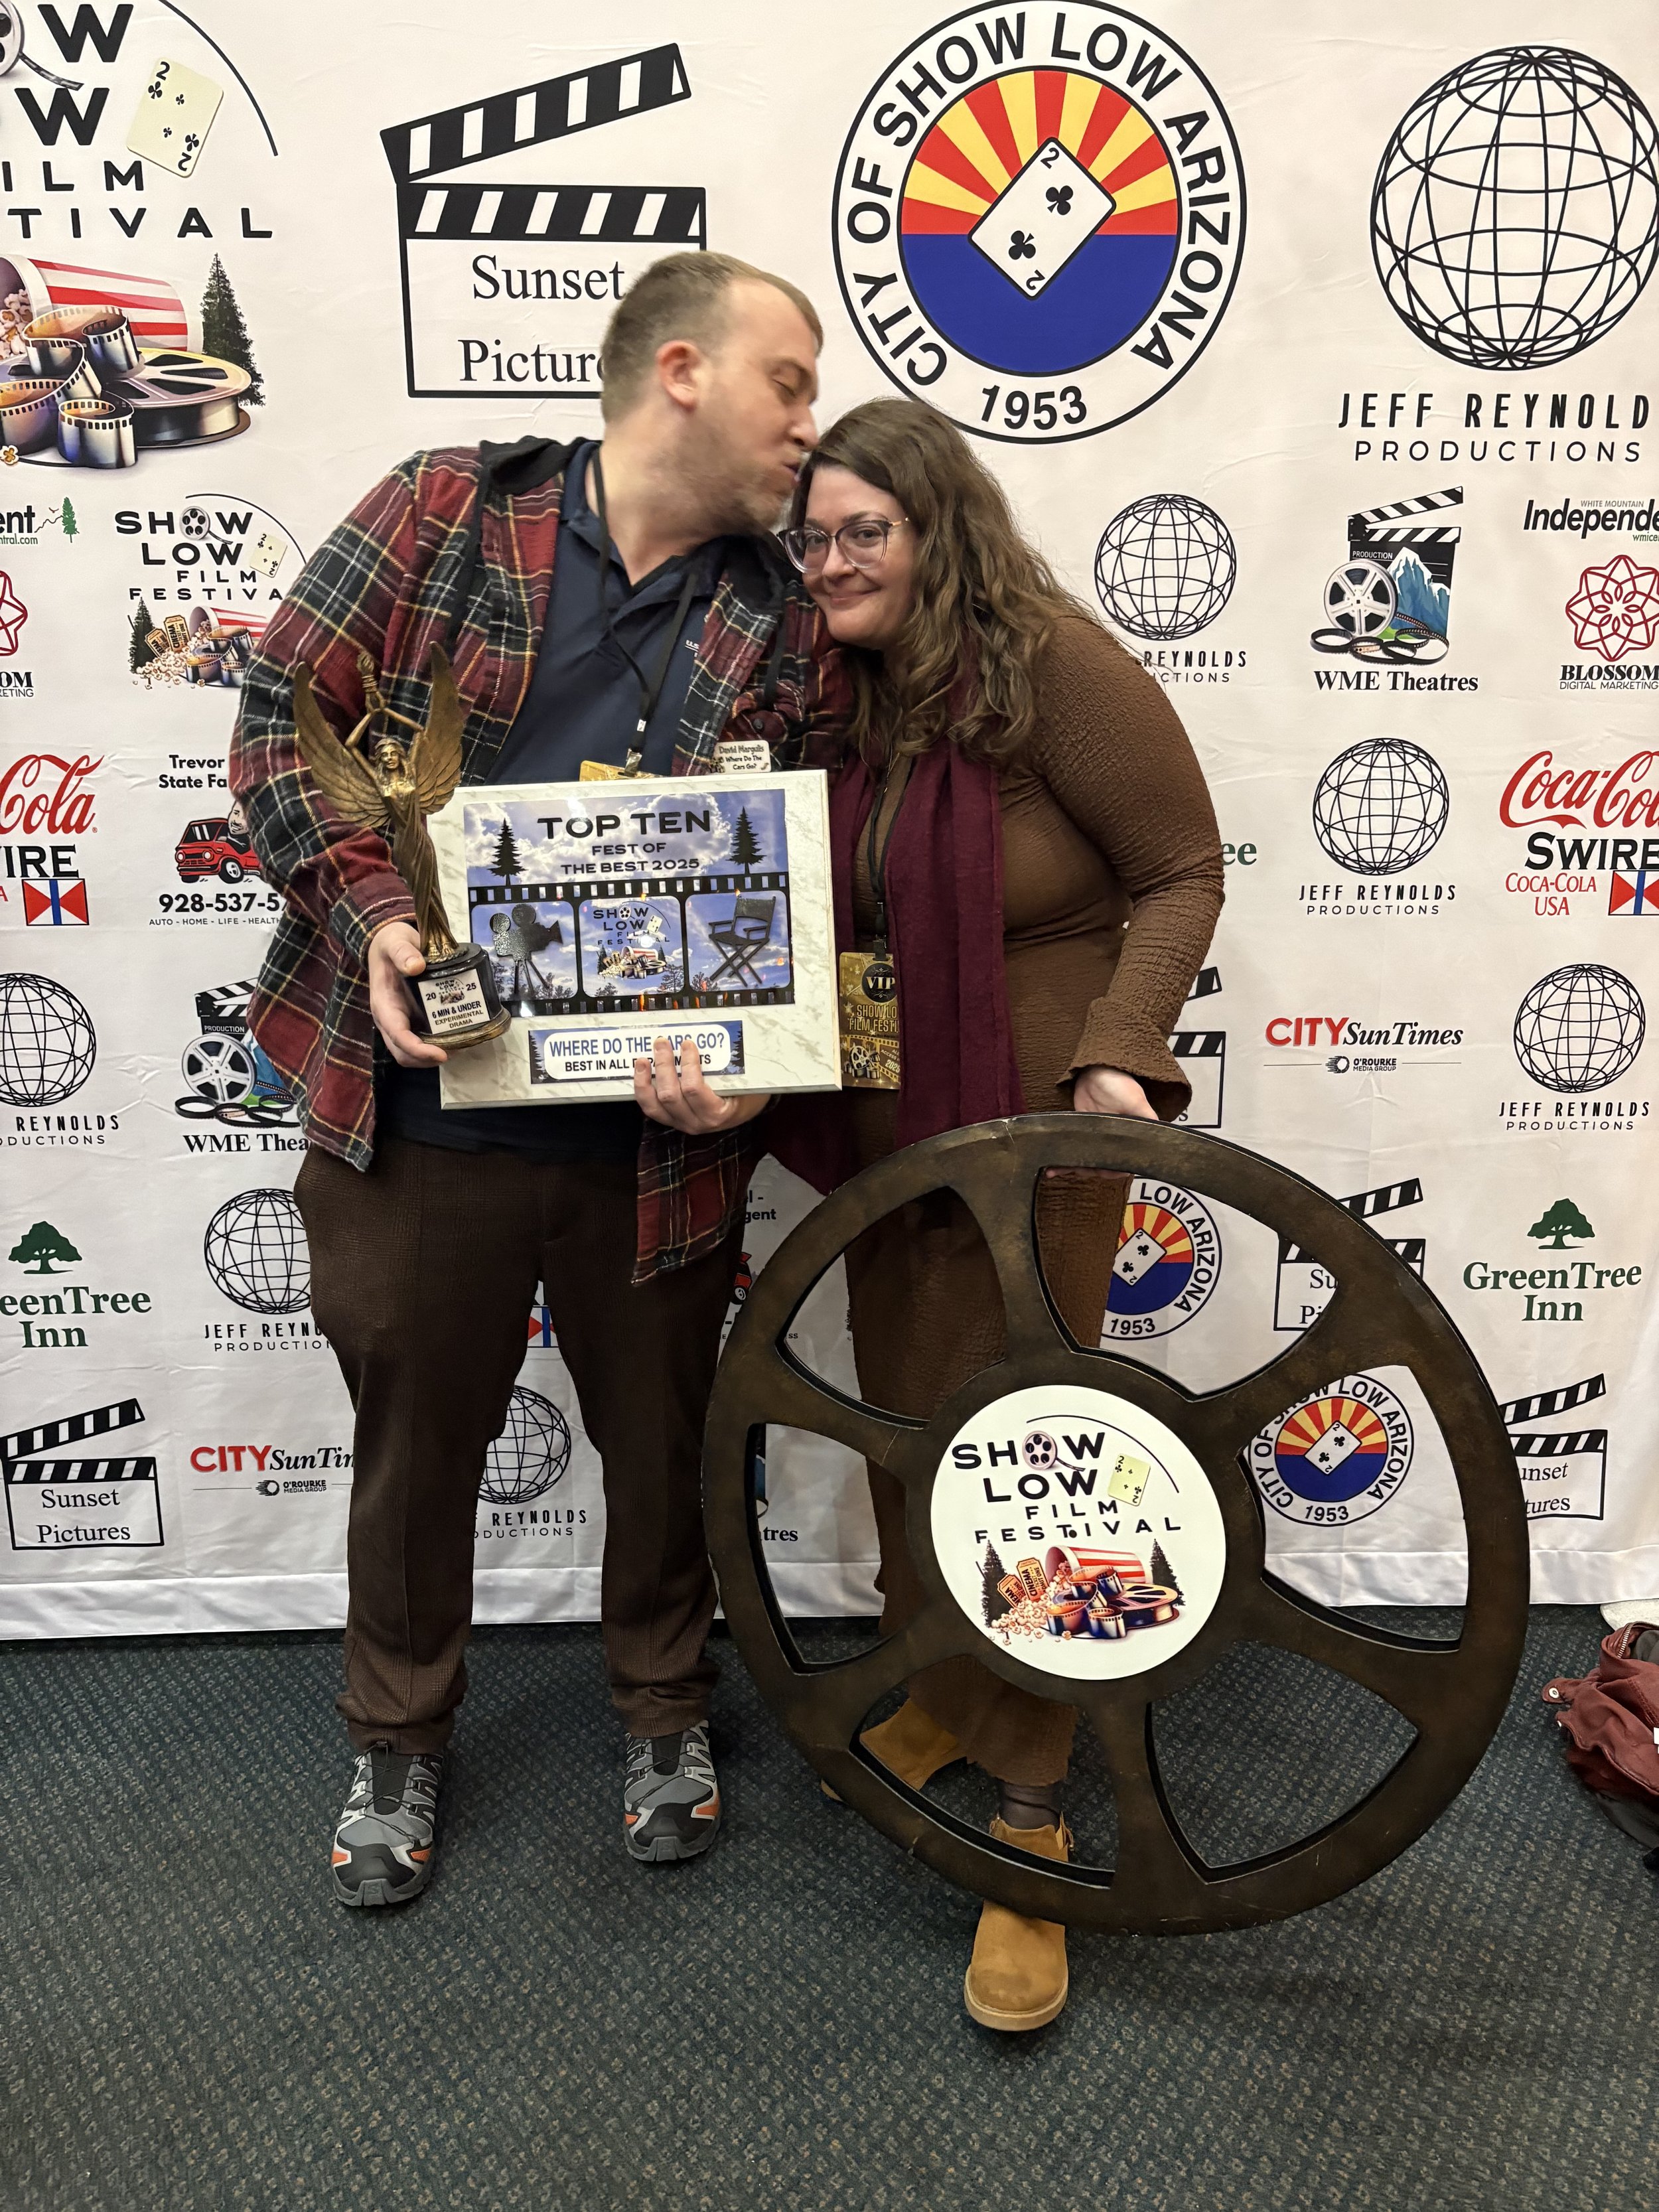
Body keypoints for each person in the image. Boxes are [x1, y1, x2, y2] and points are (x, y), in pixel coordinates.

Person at [230, 253, 833, 1907]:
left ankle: (662, 1707)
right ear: (687, 371)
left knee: (665, 1436)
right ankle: (395, 1734)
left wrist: (751, 1074)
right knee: (415, 1439)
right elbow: (280, 717)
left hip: (656, 1137)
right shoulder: (443, 511)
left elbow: (799, 880)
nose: (808, 420)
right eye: (790, 379)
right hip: (424, 1111)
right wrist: (366, 918)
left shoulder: (779, 608)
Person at [776, 398, 1222, 2030]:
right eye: (810, 536)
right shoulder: (841, 697)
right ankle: (949, 1694)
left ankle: (1031, 1816)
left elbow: (1178, 864)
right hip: (894, 1150)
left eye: (860, 533)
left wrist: (1118, 1056)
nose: (827, 561)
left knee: (1040, 1473)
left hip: (1043, 1149)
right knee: (913, 1432)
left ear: (934, 528)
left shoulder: (1048, 667)